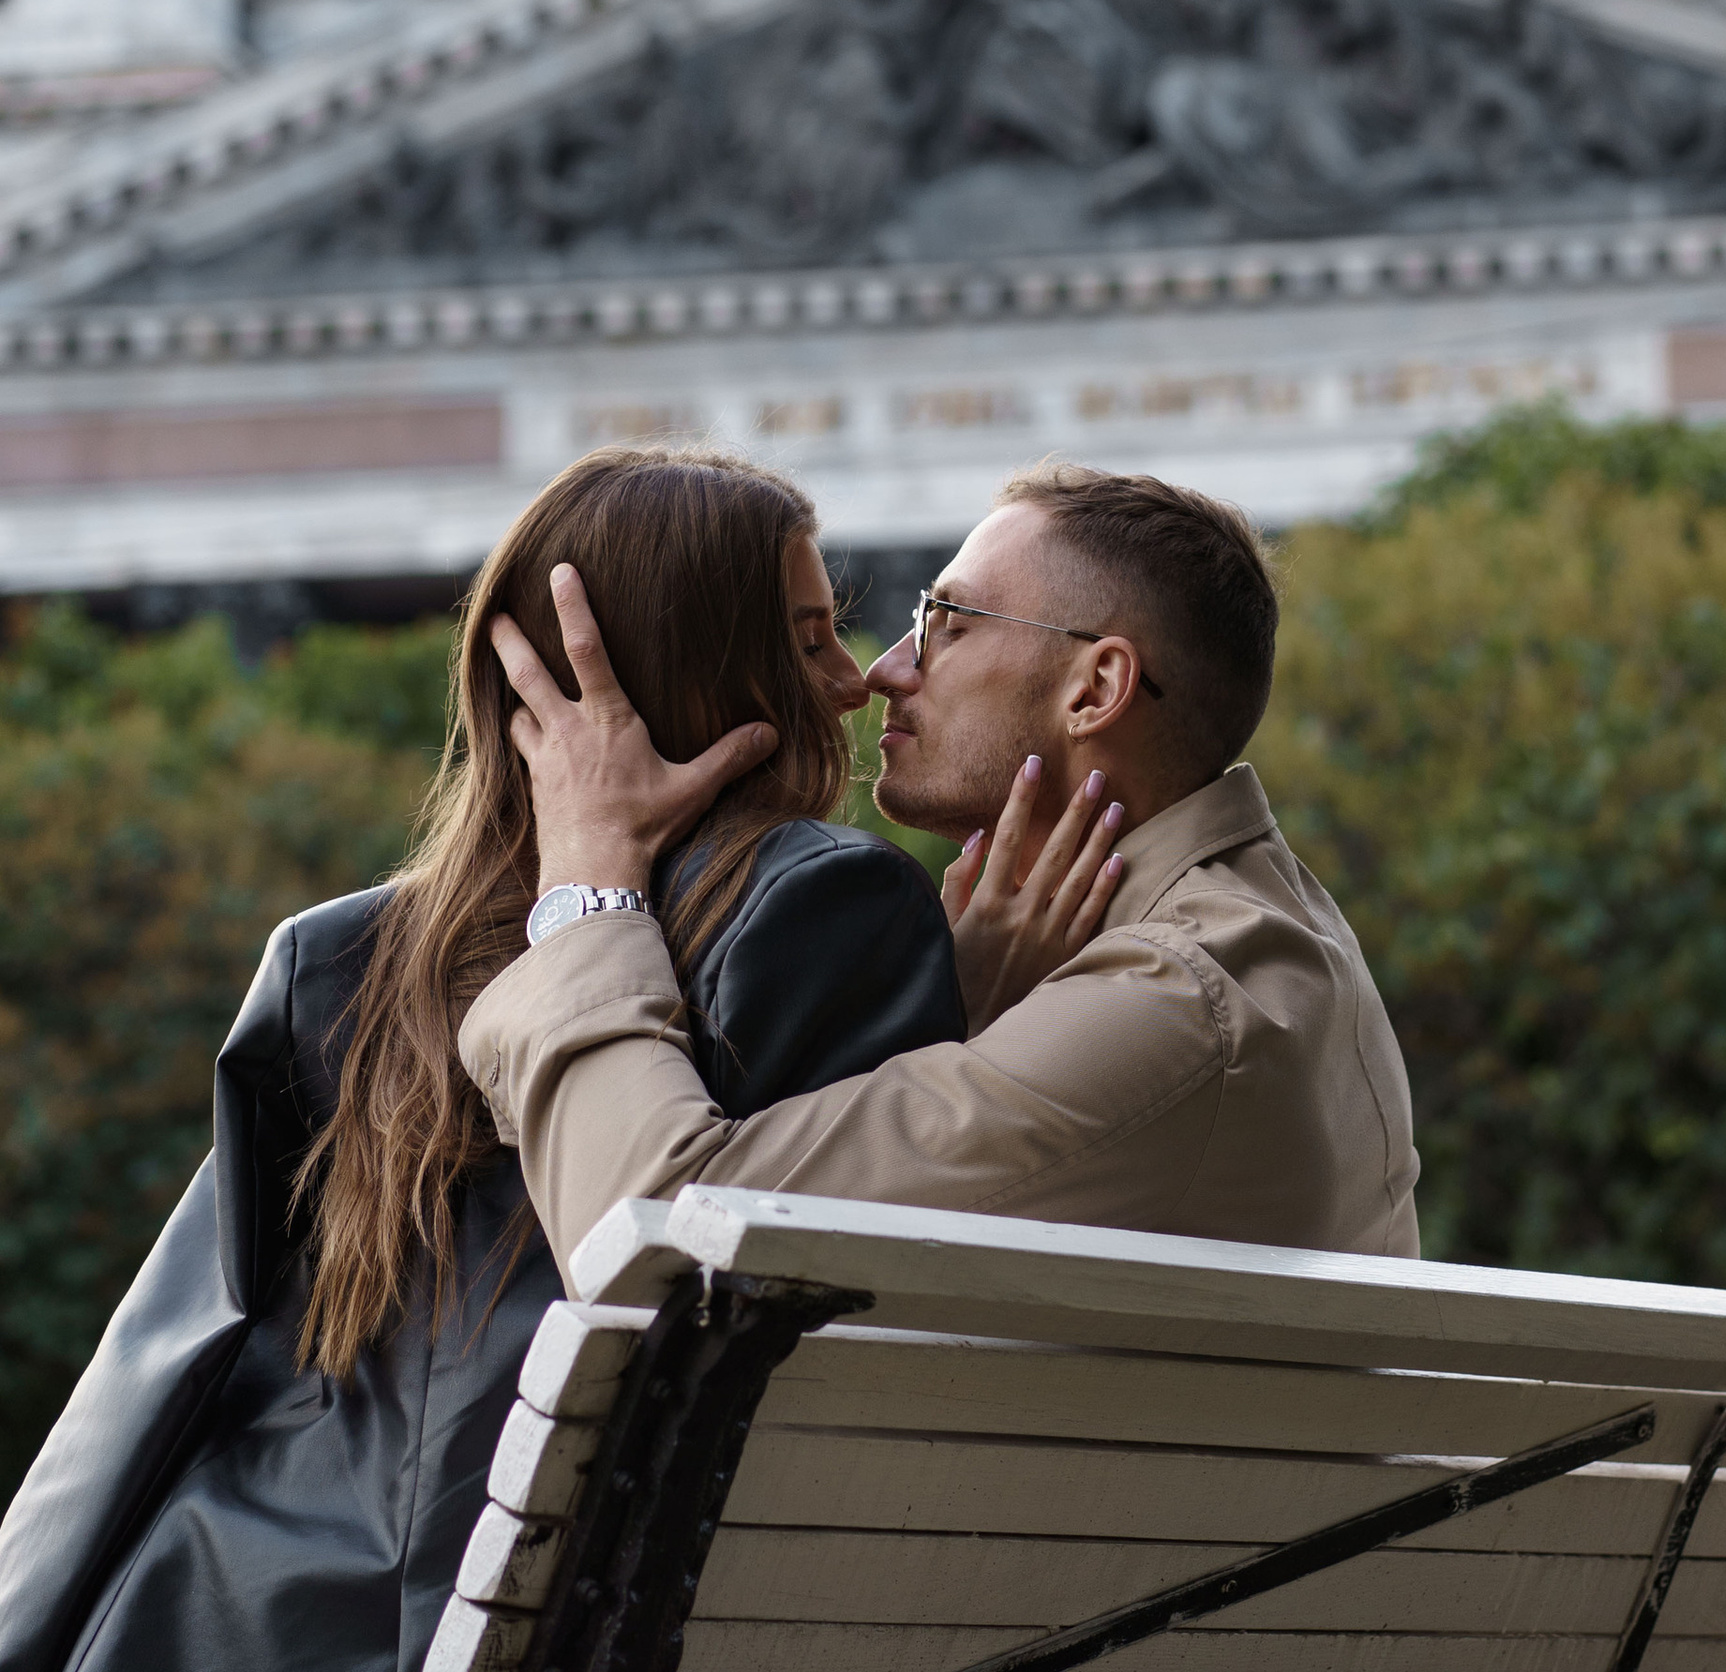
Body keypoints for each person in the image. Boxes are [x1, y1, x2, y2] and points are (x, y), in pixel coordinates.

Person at [0, 447, 1022, 1672]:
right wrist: (997, 999)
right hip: (541, 1615)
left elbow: (164, 1359)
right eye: (808, 643)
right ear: (686, 680)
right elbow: (832, 1332)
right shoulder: (825, 906)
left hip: (214, 1600)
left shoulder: (336, 953)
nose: (853, 684)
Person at [463, 461, 1421, 1268]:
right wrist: (955, 1018)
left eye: (947, 621)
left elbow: (661, 1239)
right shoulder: (1252, 929)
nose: (884, 671)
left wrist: (589, 884)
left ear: (1095, 689)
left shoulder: (1176, 1002)